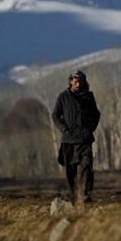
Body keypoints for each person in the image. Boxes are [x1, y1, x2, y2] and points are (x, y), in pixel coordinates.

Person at [51, 69, 101, 204]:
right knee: (70, 172)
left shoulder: (89, 97)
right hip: (69, 140)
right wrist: (64, 128)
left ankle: (85, 194)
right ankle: (73, 198)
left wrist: (91, 128)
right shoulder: (63, 97)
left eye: (80, 81)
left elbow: (96, 114)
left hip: (85, 139)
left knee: (86, 166)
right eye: (75, 81)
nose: (78, 84)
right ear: (71, 82)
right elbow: (55, 115)